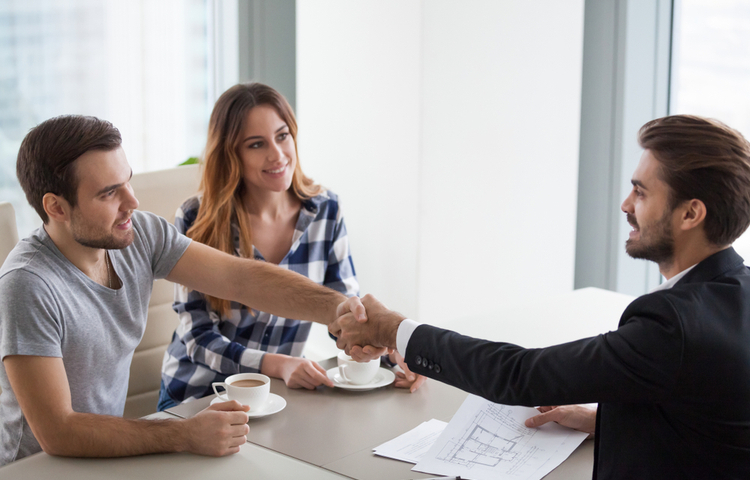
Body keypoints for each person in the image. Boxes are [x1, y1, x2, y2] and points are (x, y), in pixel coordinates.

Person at [330, 115, 750, 478]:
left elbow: (521, 374)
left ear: (691, 213)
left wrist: (394, 328)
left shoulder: (671, 326)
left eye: (641, 193)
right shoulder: (738, 291)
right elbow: (712, 419)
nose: (626, 204)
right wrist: (604, 420)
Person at [0, 115, 371, 466]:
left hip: (101, 456)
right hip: (36, 468)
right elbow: (58, 432)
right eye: (109, 193)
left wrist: (340, 310)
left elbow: (242, 279)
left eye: (127, 181)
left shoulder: (139, 234)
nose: (133, 201)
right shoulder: (27, 285)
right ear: (56, 207)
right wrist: (182, 434)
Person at [158, 83, 424, 410]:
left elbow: (345, 315)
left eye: (282, 136)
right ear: (231, 154)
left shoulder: (325, 210)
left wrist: (392, 353)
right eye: (256, 144)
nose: (278, 154)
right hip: (197, 395)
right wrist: (277, 364)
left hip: (276, 398)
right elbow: (198, 338)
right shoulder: (196, 219)